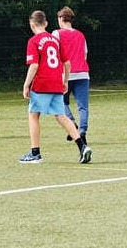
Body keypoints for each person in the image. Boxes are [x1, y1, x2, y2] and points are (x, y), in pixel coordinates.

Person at [20, 10, 92, 164]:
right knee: (61, 116)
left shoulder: (33, 41)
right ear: (45, 23)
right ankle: (82, 146)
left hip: (42, 83)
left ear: (32, 24)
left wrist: (26, 85)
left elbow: (34, 65)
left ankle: (35, 153)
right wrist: (65, 81)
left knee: (33, 115)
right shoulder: (55, 40)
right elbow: (67, 63)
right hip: (56, 83)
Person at [54, 7, 91, 144]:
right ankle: (82, 131)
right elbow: (85, 55)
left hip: (66, 74)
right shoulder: (80, 35)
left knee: (60, 102)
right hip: (83, 74)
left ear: (61, 19)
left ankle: (71, 123)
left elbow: (54, 53)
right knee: (83, 106)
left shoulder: (57, 34)